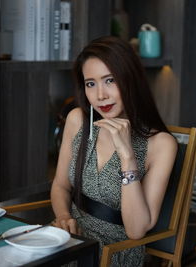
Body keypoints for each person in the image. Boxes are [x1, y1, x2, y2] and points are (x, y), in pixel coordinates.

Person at [50, 36, 178, 266]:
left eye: (110, 80)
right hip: (71, 243)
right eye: (91, 83)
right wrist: (63, 217)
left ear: (131, 80)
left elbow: (137, 230)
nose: (100, 95)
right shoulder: (78, 120)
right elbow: (60, 185)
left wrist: (127, 157)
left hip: (115, 254)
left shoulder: (161, 144)